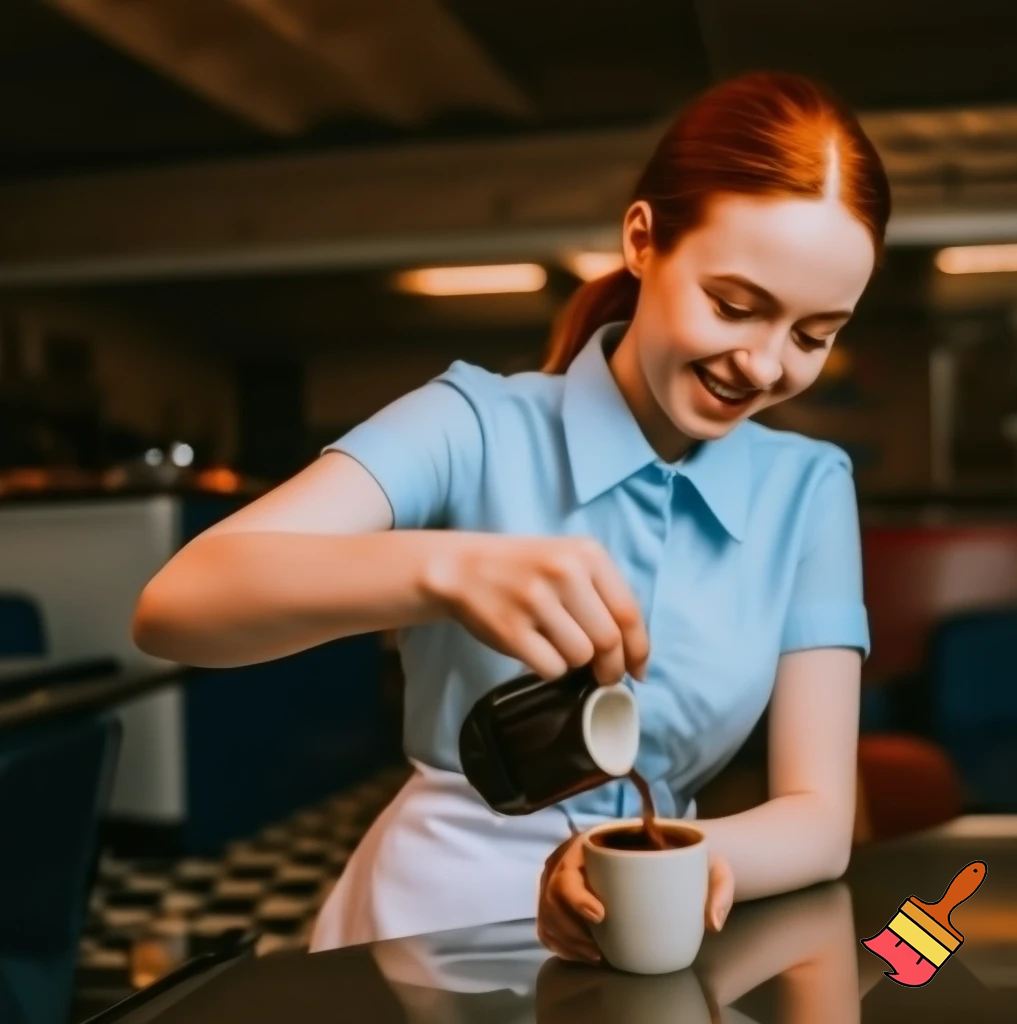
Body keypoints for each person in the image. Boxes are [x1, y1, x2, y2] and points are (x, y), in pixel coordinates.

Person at [132, 69, 890, 964]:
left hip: (654, 930)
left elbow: (818, 820)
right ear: (643, 241)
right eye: (734, 305)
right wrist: (446, 570)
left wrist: (678, 862)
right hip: (426, 933)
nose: (765, 366)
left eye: (814, 334)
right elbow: (176, 608)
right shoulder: (472, 423)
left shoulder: (808, 488)